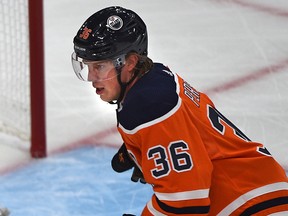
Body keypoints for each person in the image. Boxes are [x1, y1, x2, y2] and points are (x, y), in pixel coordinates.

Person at [71, 6, 288, 215]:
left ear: (130, 62)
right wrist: (143, 148)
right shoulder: (156, 78)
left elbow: (186, 204)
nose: (91, 77)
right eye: (88, 66)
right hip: (259, 195)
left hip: (251, 205)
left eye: (99, 66)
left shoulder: (148, 106)